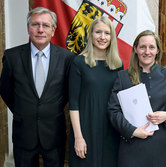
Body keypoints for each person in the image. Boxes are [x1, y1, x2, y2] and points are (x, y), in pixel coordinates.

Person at [0, 7, 75, 167]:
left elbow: (68, 93)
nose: (40, 30)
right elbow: (5, 90)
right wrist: (24, 110)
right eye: (35, 24)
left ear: (53, 30)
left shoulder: (67, 58)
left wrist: (49, 108)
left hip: (54, 134)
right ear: (28, 28)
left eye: (46, 25)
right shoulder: (12, 57)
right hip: (23, 134)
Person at [108, 30, 166, 167]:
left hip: (164, 148)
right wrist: (132, 131)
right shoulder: (123, 77)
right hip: (133, 148)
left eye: (151, 47)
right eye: (142, 47)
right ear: (135, 49)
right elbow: (113, 111)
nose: (147, 52)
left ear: (158, 50)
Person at [68, 16, 123, 167]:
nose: (102, 37)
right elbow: (73, 104)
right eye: (98, 32)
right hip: (85, 128)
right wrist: (78, 137)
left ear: (112, 37)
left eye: (107, 33)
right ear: (91, 34)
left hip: (111, 130)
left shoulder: (118, 64)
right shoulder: (78, 62)